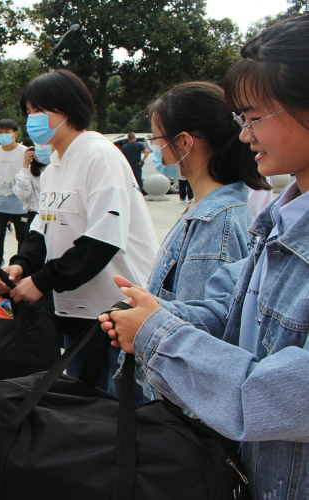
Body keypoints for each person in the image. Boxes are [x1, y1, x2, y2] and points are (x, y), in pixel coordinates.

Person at [101, 16, 309, 498]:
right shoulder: (279, 218)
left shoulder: (222, 219)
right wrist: (158, 315)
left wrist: (158, 334)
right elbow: (234, 312)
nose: (245, 134)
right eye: (240, 120)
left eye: (255, 117)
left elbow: (280, 395)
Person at [0, 69, 158, 396]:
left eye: (39, 111)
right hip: (76, 309)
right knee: (86, 405)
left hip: (117, 310)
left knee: (122, 406)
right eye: (29, 112)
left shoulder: (99, 155)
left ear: (68, 109)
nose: (32, 120)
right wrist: (22, 265)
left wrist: (42, 281)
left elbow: (103, 238)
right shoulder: (54, 166)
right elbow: (42, 228)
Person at [123, 81, 271, 400]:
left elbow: (196, 341)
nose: (158, 151)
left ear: (185, 142)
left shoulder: (214, 222)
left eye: (157, 140)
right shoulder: (206, 208)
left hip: (177, 405)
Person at [0, 118, 28, 266]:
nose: (3, 135)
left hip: (21, 203)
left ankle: (20, 266)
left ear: (15, 133)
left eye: (7, 132)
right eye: (0, 132)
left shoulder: (24, 152)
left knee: (22, 237)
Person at [13, 137, 50, 243]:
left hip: (52, 217)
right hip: (34, 216)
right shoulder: (29, 170)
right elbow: (22, 195)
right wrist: (25, 164)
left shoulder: (58, 169)